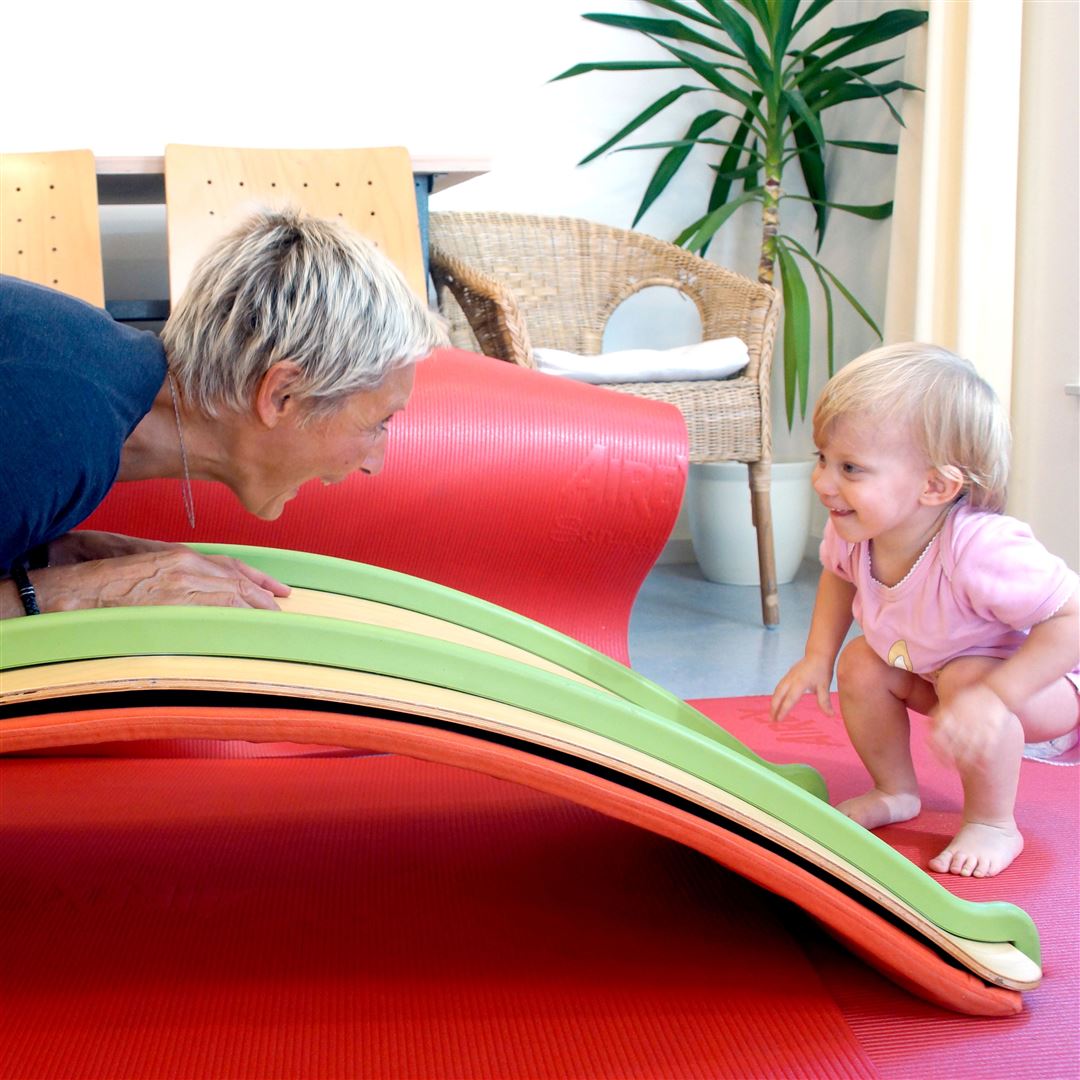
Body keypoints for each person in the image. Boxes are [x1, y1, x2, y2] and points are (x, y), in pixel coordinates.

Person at [0, 207, 447, 618]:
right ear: (282, 394)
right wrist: (76, 591)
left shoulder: (85, 383)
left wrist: (56, 556)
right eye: (378, 423)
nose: (374, 463)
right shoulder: (57, 427)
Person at [770, 343, 1079, 878]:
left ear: (935, 486)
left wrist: (997, 696)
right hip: (941, 678)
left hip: (1044, 693)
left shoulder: (980, 548)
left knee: (966, 677)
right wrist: (818, 657)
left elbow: (1071, 619)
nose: (823, 482)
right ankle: (895, 791)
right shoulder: (855, 530)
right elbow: (838, 578)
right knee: (861, 662)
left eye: (850, 468)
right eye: (823, 458)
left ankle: (993, 823)